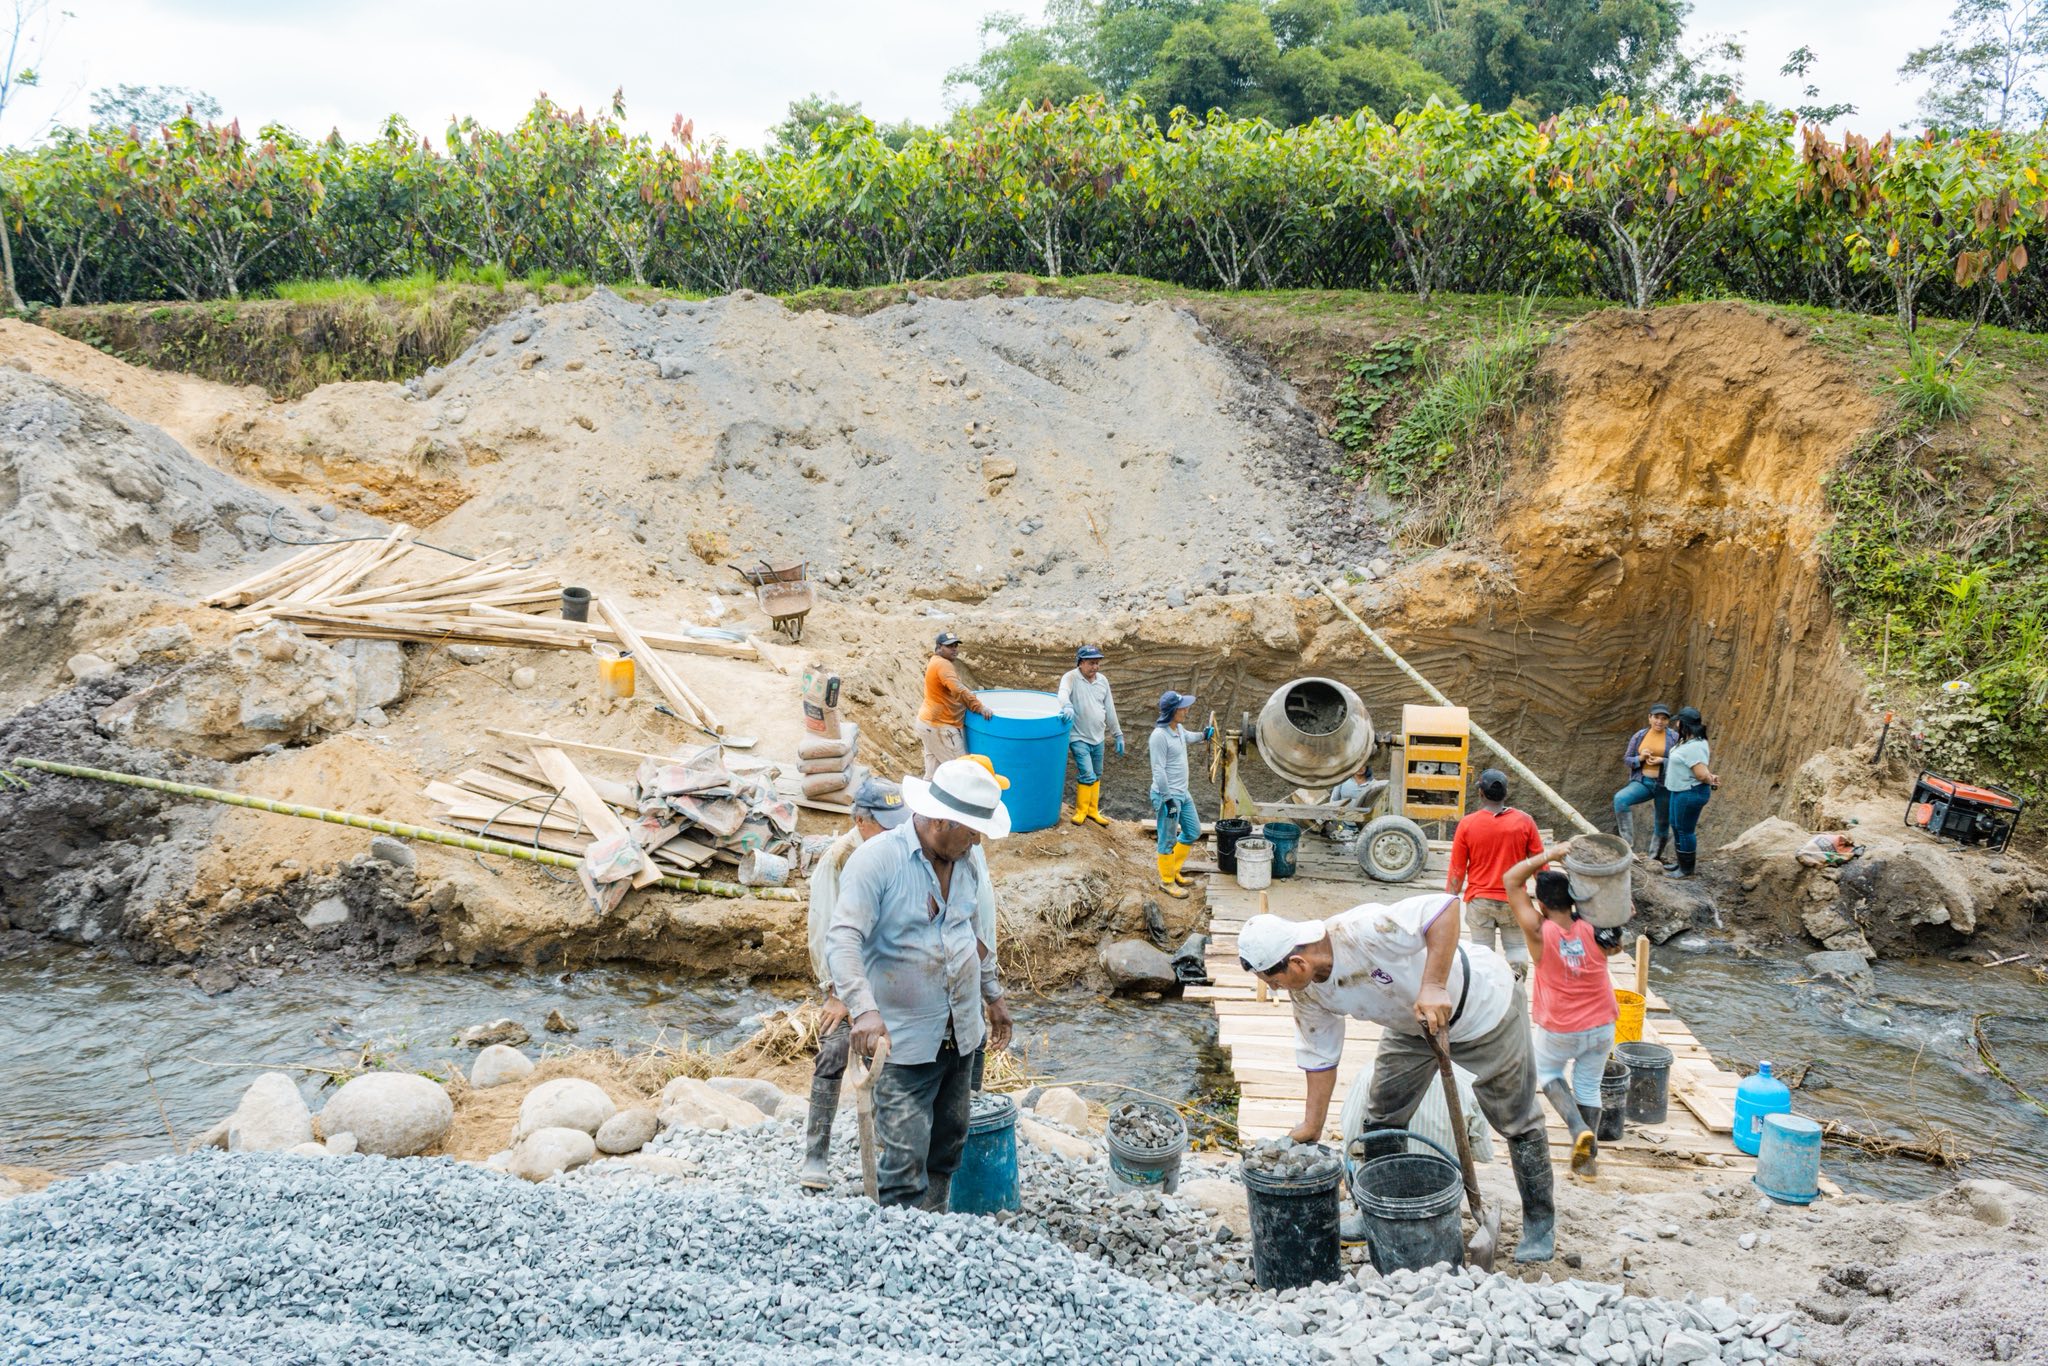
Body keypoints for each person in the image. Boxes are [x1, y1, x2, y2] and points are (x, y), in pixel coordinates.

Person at [1238, 895, 1557, 1262]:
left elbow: (1443, 908)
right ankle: (1381, 1211)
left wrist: (1434, 985)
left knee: (1516, 1120)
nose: (1275, 990)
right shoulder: (1308, 991)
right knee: (1383, 1115)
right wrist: (1313, 1124)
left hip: (1484, 1009)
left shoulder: (1362, 931)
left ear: (1298, 962)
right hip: (1412, 1025)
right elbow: (1319, 1055)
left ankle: (1540, 1225)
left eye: (1274, 982)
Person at [828, 759, 1014, 1211]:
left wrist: (993, 996)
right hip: (902, 1042)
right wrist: (864, 1009)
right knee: (904, 1157)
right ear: (940, 821)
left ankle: (935, 1221)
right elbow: (843, 937)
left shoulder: (965, 861)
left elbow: (971, 935)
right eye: (972, 831)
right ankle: (902, 1235)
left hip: (960, 1034)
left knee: (949, 1142)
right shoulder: (877, 861)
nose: (978, 840)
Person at [798, 777, 910, 1190]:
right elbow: (826, 931)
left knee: (896, 1052)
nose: (893, 830)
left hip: (889, 971)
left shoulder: (897, 847)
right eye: (884, 823)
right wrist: (837, 993)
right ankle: (816, 1153)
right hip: (849, 978)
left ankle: (890, 1147)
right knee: (834, 1049)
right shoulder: (839, 859)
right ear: (861, 821)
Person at [1502, 839, 1617, 1180]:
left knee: (1549, 1073)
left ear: (1540, 904)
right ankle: (1587, 1162)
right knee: (1588, 1086)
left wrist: (1549, 855)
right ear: (1573, 900)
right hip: (1603, 1023)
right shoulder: (1595, 928)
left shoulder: (1539, 931)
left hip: (1561, 1026)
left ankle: (1577, 1128)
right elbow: (1617, 937)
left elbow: (1510, 880)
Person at [1447, 769, 1544, 978]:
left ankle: (1487, 991)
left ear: (1480, 793)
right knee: (1517, 948)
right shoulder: (1525, 822)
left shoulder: (1468, 824)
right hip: (1514, 901)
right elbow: (1540, 866)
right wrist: (1548, 903)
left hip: (1479, 901)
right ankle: (1515, 987)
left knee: (1482, 954)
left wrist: (1446, 903)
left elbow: (1457, 870)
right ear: (1506, 793)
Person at [1149, 690, 1212, 900]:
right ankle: (1167, 881)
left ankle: (1174, 870)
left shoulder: (1178, 729)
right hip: (1168, 796)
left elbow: (1189, 737)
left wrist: (1204, 735)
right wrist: (1168, 800)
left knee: (1193, 831)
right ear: (1172, 711)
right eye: (1182, 708)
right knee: (1167, 839)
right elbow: (1158, 770)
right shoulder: (1159, 736)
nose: (1186, 710)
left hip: (1183, 793)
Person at [1057, 645, 1124, 828]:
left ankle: (1093, 810)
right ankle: (1081, 810)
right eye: (1091, 663)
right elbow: (1062, 693)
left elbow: (1109, 708)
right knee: (1087, 773)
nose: (1095, 667)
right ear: (1081, 663)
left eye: (1097, 663)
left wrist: (1118, 734)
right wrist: (1067, 705)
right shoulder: (1071, 677)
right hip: (1078, 736)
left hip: (1098, 737)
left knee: (1097, 773)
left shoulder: (1102, 681)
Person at [917, 632, 993, 779]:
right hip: (940, 727)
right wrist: (979, 707)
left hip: (927, 724)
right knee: (962, 771)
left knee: (933, 775)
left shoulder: (936, 661)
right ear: (939, 647)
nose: (954, 649)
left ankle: (926, 793)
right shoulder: (942, 665)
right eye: (949, 646)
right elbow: (957, 689)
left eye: (956, 645)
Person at [1612, 703, 1674, 863]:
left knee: (1662, 822)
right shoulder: (1639, 736)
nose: (1659, 721)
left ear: (1668, 721)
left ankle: (1654, 858)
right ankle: (1627, 848)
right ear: (1649, 718)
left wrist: (1663, 761)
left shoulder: (1674, 737)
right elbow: (1627, 759)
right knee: (1620, 799)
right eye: (1656, 717)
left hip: (1665, 786)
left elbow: (1681, 762)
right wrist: (1640, 758)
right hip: (1643, 782)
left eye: (1664, 718)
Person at [1663, 707, 1719, 880]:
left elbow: (1701, 774)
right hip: (1679, 790)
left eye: (1678, 721)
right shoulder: (1687, 741)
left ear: (1684, 724)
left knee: (1685, 830)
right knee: (1676, 825)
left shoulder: (1694, 746)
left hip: (1690, 792)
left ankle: (1687, 870)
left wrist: (1710, 779)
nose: (1676, 724)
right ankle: (1681, 863)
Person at [1796, 832, 1861, 868]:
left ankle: (1806, 854)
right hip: (1805, 852)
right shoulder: (1837, 839)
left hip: (1803, 852)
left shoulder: (1825, 836)